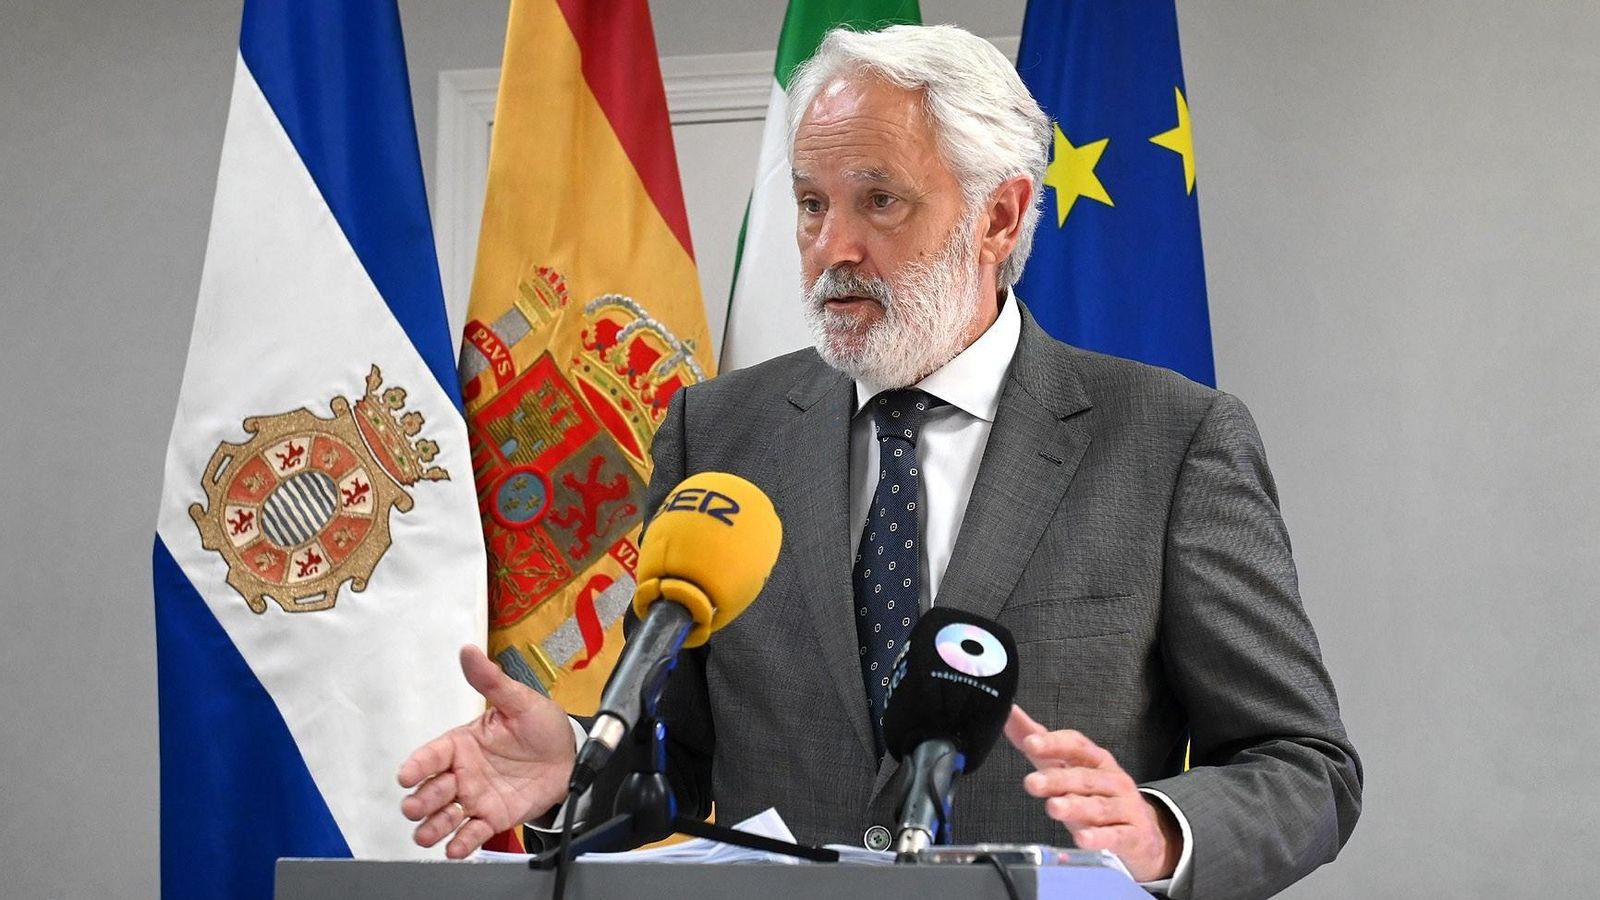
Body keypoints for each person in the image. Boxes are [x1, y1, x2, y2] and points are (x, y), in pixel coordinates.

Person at [399, 24, 1360, 900]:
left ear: (999, 216)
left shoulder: (1169, 440)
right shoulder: (718, 431)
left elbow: (1304, 763)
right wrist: (572, 762)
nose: (832, 248)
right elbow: (688, 760)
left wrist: (1159, 830)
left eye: (879, 201)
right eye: (812, 205)